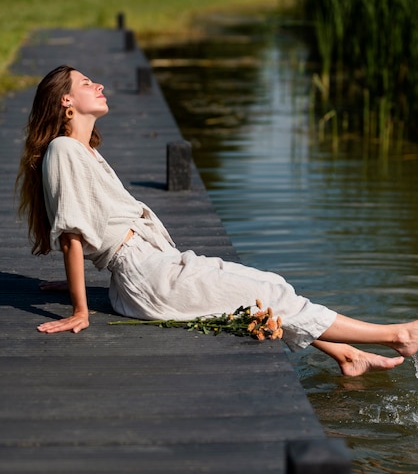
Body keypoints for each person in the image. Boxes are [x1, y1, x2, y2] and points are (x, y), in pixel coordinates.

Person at [16, 65, 418, 377]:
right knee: (265, 293)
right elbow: (72, 233)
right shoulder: (65, 150)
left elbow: (93, 228)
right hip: (148, 276)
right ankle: (397, 335)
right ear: (66, 101)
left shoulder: (83, 150)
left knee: (267, 288)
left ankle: (345, 354)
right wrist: (80, 308)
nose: (98, 85)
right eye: (86, 82)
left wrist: (75, 282)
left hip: (154, 267)